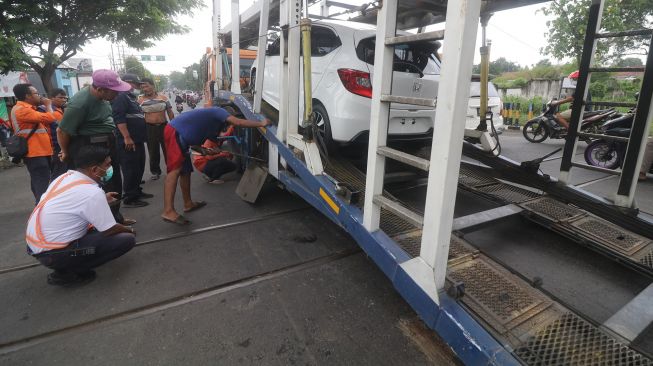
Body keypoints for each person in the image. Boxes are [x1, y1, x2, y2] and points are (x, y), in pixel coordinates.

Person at [26, 145, 136, 286]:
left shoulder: (65, 177)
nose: (110, 167)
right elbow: (110, 229)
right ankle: (69, 271)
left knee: (95, 228)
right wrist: (130, 230)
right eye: (107, 164)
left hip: (36, 245)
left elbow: (76, 200)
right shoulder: (91, 193)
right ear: (95, 169)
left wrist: (102, 198)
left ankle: (66, 262)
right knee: (126, 240)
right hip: (53, 253)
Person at [162, 107, 269, 225]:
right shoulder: (219, 112)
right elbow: (238, 122)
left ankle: (188, 203)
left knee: (185, 171)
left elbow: (196, 140)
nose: (228, 125)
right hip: (175, 132)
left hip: (182, 135)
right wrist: (261, 123)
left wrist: (205, 150)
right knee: (175, 171)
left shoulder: (213, 125)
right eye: (228, 122)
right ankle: (168, 211)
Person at [57, 69, 135, 225]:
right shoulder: (80, 103)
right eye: (115, 91)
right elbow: (62, 130)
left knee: (114, 180)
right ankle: (103, 224)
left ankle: (115, 218)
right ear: (100, 89)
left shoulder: (103, 98)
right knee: (98, 184)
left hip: (107, 143)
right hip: (90, 146)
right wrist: (65, 152)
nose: (117, 94)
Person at [10, 84, 57, 203]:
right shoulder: (22, 110)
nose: (39, 96)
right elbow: (51, 118)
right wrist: (48, 105)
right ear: (27, 96)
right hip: (35, 152)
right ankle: (42, 208)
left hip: (39, 151)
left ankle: (40, 205)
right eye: (36, 93)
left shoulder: (28, 109)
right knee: (41, 181)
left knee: (38, 180)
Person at [111, 74, 150, 207]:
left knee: (139, 167)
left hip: (137, 140)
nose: (138, 87)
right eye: (136, 84)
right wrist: (126, 137)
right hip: (128, 140)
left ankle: (136, 191)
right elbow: (119, 118)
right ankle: (130, 197)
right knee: (130, 169)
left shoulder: (131, 98)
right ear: (127, 82)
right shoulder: (121, 97)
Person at [139, 78, 175, 180]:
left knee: (168, 149)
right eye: (142, 87)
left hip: (164, 126)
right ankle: (155, 172)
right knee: (153, 151)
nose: (145, 89)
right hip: (149, 128)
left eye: (146, 86)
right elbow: (139, 116)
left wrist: (174, 126)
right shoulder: (140, 100)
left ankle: (171, 169)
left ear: (153, 86)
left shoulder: (163, 98)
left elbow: (170, 112)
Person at [38, 88, 68, 179]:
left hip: (61, 143)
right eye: (60, 97)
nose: (63, 100)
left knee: (63, 171)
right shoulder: (44, 110)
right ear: (51, 98)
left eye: (65, 98)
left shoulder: (60, 109)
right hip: (54, 145)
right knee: (58, 173)